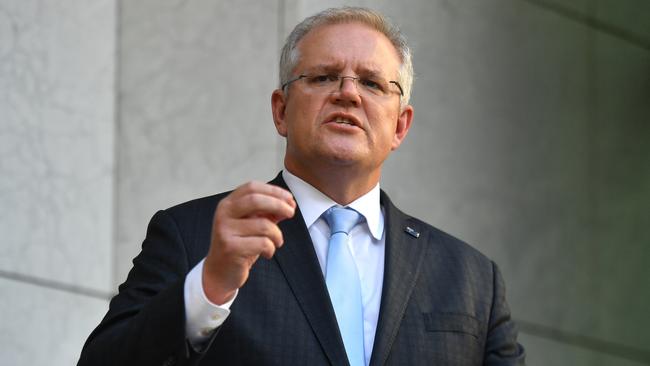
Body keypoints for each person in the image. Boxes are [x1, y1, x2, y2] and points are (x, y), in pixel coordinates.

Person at [79, 6, 525, 366]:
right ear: (281, 111)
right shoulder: (194, 236)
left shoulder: (472, 279)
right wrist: (211, 284)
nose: (348, 93)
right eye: (323, 77)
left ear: (400, 127)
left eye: (371, 83)